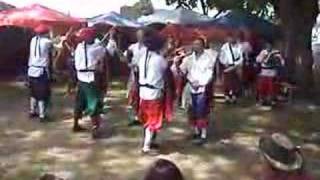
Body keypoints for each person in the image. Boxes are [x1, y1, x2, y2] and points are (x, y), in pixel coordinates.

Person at [173, 38, 217, 145]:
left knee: (202, 111)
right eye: (194, 44)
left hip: (202, 87)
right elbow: (181, 72)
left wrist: (201, 83)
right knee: (192, 111)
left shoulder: (208, 58)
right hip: (191, 87)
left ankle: (203, 134)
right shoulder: (188, 59)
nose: (196, 46)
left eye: (198, 44)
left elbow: (210, 73)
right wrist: (177, 64)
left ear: (203, 46)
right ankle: (197, 132)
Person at [137, 32, 171, 155]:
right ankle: (146, 147)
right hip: (154, 93)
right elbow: (166, 70)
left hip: (143, 92)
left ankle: (151, 141)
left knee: (147, 119)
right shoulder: (159, 60)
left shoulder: (143, 57)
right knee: (152, 120)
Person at [73, 27, 107, 138]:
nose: (82, 39)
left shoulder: (79, 47)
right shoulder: (97, 49)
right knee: (94, 104)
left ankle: (75, 124)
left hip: (80, 77)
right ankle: (95, 129)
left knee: (79, 101)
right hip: (90, 78)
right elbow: (104, 53)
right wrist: (110, 39)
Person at [27, 25, 53, 122]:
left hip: (31, 70)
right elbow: (56, 45)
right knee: (42, 93)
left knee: (33, 92)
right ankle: (42, 115)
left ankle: (32, 111)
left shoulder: (33, 40)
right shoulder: (47, 42)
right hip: (41, 71)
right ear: (45, 33)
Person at [125, 29, 147, 126]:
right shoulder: (132, 47)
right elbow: (125, 58)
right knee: (134, 96)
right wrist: (116, 48)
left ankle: (144, 116)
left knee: (143, 96)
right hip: (134, 74)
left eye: (141, 35)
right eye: (138, 35)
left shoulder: (148, 48)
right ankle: (137, 116)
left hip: (146, 74)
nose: (139, 37)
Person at [256, 42, 285, 107]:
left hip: (272, 72)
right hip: (264, 72)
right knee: (262, 87)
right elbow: (258, 60)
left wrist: (277, 61)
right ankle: (262, 100)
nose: (268, 46)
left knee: (271, 88)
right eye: (267, 45)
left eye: (270, 45)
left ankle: (271, 100)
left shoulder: (276, 53)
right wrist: (263, 57)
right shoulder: (263, 52)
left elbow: (282, 62)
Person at [219, 33, 244, 104]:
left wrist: (236, 65)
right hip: (227, 66)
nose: (230, 39)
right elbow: (222, 56)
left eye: (232, 38)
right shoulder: (225, 46)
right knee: (227, 82)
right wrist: (224, 63)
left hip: (236, 67)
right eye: (229, 38)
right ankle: (227, 96)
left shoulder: (239, 46)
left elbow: (241, 57)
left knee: (235, 82)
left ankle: (234, 96)